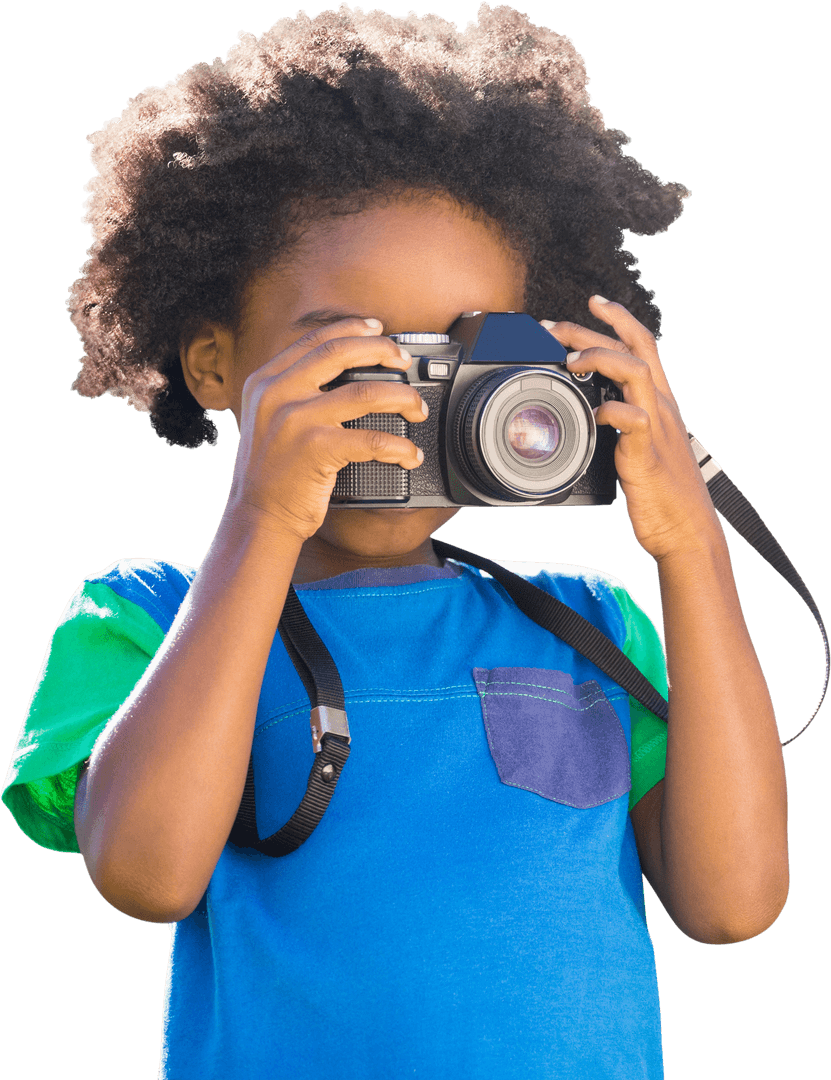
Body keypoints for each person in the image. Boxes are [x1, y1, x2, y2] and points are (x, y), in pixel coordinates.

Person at [2, 6, 790, 1078]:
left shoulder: (587, 624)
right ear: (215, 363)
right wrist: (262, 518)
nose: (409, 404)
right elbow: (147, 875)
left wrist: (691, 546)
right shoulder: (145, 617)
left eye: (464, 357)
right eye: (352, 352)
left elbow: (733, 902)